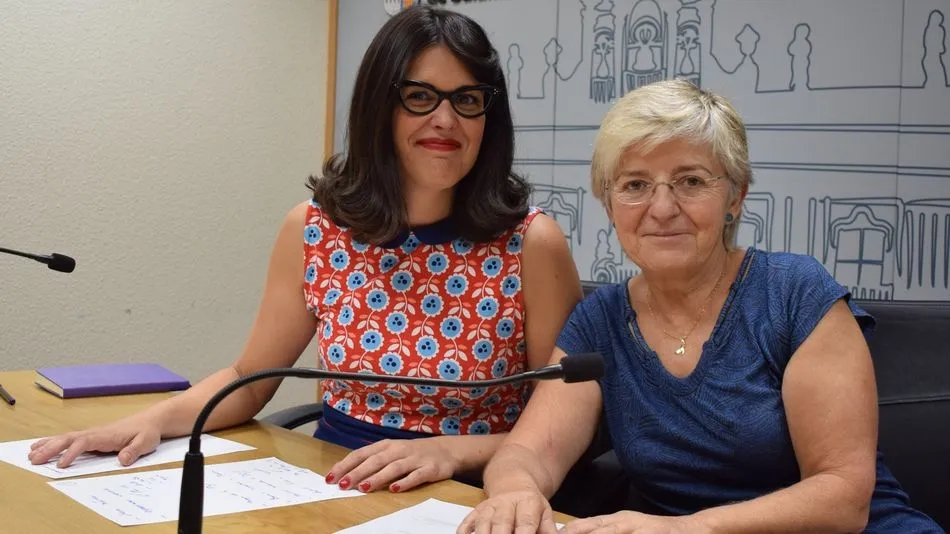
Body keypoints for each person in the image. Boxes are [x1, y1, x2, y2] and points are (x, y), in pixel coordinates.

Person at [28, 6, 582, 497]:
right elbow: (249, 377)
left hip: (470, 494)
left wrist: (450, 452)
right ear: (378, 107)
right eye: (419, 96)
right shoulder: (315, 229)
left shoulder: (532, 244)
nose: (445, 119)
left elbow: (567, 422)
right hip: (331, 484)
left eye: (467, 100)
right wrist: (150, 423)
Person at [458, 79, 943, 533]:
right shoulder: (599, 321)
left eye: (690, 181)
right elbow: (529, 452)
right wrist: (517, 490)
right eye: (635, 185)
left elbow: (844, 496)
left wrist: (687, 528)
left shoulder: (794, 293)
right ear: (609, 206)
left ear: (735, 197)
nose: (662, 208)